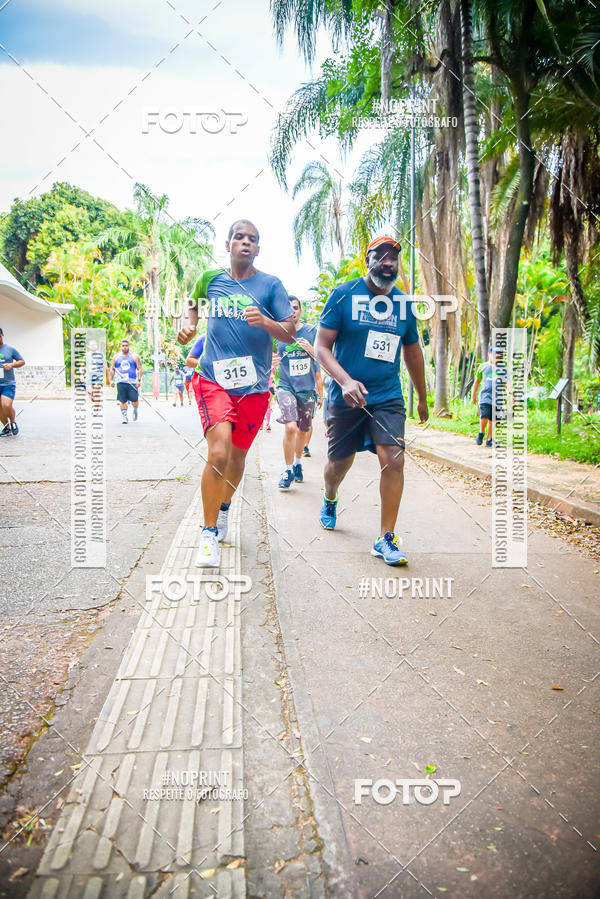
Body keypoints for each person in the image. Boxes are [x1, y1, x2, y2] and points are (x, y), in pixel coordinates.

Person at [178, 219, 295, 566]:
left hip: (254, 387)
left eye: (253, 239)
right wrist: (189, 325)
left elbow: (289, 333)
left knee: (238, 457)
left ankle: (224, 506)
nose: (246, 242)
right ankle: (208, 532)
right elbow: (192, 306)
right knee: (219, 451)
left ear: (258, 249)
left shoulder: (271, 285)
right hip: (213, 378)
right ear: (227, 244)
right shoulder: (210, 279)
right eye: (239, 237)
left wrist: (267, 323)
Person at [315, 236, 428, 566]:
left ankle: (386, 538)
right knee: (339, 465)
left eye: (393, 257)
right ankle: (330, 496)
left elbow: (413, 352)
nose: (388, 263)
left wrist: (422, 397)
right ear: (368, 259)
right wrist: (345, 380)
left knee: (394, 458)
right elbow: (322, 347)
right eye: (381, 256)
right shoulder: (343, 295)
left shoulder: (404, 305)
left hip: (387, 395)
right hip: (346, 396)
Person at [275, 297, 323, 488]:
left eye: (295, 308)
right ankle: (287, 471)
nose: (292, 311)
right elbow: (265, 354)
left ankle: (297, 464)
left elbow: (324, 355)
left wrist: (311, 349)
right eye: (288, 308)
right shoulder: (276, 332)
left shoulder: (312, 331)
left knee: (304, 429)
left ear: (301, 311)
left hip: (307, 389)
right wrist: (270, 360)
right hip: (285, 386)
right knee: (290, 427)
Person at [471, 345, 509, 447]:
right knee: (485, 415)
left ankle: (490, 439)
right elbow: (477, 382)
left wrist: (511, 394)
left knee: (493, 418)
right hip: (485, 396)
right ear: (489, 354)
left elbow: (507, 382)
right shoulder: (483, 367)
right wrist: (473, 395)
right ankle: (481, 433)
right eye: (494, 355)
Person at [109, 339, 142, 424]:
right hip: (120, 382)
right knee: (122, 400)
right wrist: (111, 380)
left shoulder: (134, 356)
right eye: (123, 345)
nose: (124, 347)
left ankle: (135, 410)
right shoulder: (116, 357)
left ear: (129, 346)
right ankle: (124, 417)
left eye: (126, 345)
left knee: (134, 400)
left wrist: (139, 380)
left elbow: (140, 368)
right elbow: (112, 369)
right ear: (121, 347)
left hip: (132, 382)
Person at [0, 327, 25, 437]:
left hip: (8, 383)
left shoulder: (9, 349)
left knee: (6, 405)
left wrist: (11, 365)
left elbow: (22, 361)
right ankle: (7, 427)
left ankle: (13, 421)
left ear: (2, 335)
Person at [86, 339, 108, 410]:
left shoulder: (101, 355)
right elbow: (83, 366)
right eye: (92, 345)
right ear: (89, 346)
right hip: (89, 377)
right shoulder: (87, 355)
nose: (93, 346)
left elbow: (105, 366)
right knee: (90, 393)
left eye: (95, 344)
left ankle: (95, 409)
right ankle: (95, 400)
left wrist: (106, 377)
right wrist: (82, 375)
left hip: (98, 377)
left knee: (96, 392)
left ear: (97, 346)